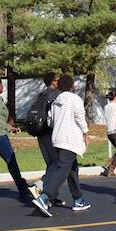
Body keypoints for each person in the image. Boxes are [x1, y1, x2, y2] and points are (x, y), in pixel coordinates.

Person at [32, 74, 91, 216]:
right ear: (72, 86)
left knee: (72, 168)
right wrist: (85, 133)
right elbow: (79, 117)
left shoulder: (56, 100)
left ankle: (78, 199)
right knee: (63, 168)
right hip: (69, 139)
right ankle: (45, 197)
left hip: (57, 138)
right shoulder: (75, 99)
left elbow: (50, 121)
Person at [27, 73, 73, 206]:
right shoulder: (56, 94)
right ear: (53, 82)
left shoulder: (42, 94)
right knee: (57, 163)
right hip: (50, 132)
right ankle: (39, 186)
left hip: (40, 132)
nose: (60, 81)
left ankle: (51, 196)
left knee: (51, 163)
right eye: (58, 80)